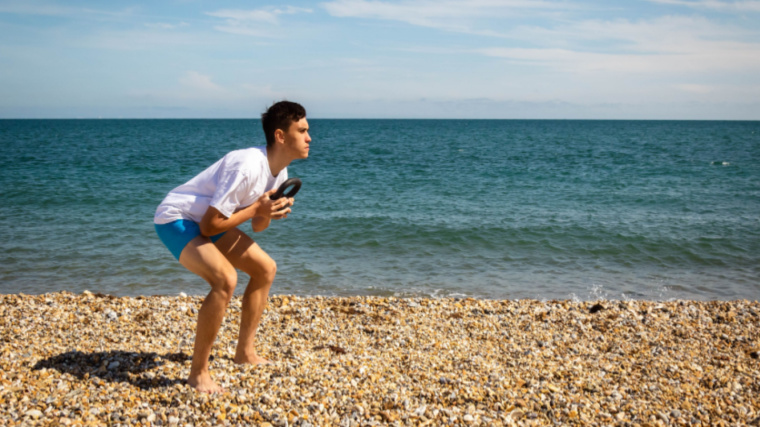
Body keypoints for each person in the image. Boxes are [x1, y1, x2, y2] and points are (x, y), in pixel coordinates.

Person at [153, 101, 311, 393]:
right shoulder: (247, 165)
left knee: (265, 269)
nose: (309, 137)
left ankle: (245, 353)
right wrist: (256, 210)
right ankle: (198, 374)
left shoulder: (281, 173)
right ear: (280, 136)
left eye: (307, 131)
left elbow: (257, 225)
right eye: (301, 130)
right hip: (177, 218)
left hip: (208, 221)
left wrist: (269, 211)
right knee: (225, 279)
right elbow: (208, 227)